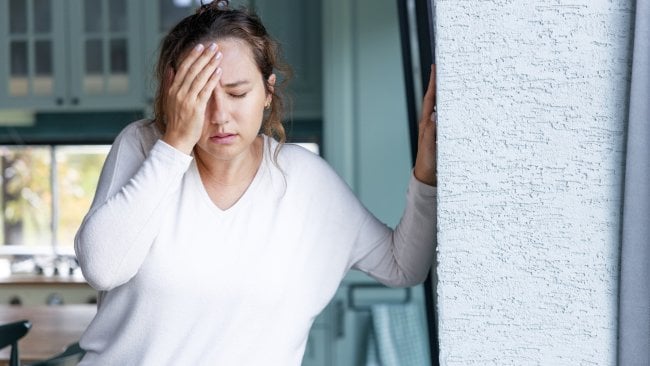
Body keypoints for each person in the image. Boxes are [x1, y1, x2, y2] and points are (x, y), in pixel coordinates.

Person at [74, 0, 437, 365]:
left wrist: (428, 175)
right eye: (200, 96)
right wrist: (176, 143)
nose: (219, 116)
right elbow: (102, 268)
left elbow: (403, 265)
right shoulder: (144, 146)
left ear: (268, 92)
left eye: (237, 93)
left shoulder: (305, 181)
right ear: (174, 93)